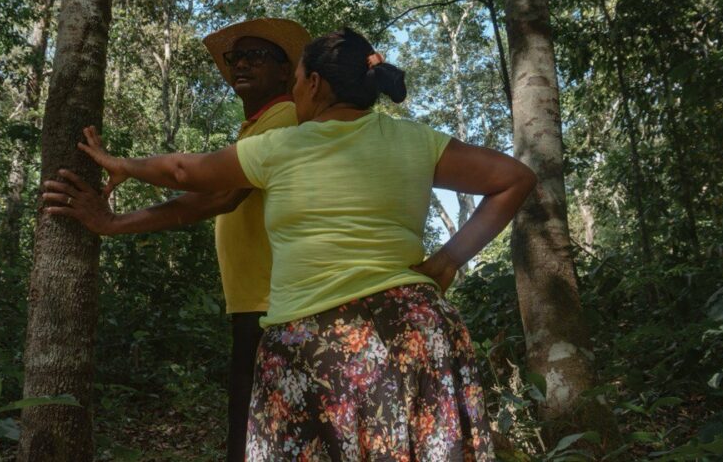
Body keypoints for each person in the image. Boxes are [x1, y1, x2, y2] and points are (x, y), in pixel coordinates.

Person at [59, 27, 537, 460]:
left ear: (312, 84)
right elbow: (513, 179)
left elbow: (187, 171)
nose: (292, 95)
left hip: (316, 339)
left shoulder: (283, 144)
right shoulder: (417, 140)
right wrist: (451, 257)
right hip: (416, 330)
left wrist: (119, 163)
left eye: (295, 81)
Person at [42, 18, 311, 461]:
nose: (241, 63)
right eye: (236, 57)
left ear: (286, 72)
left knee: (258, 443)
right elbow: (205, 198)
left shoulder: (283, 119)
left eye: (257, 56)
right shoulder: (259, 127)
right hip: (261, 304)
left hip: (276, 305)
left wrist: (114, 213)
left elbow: (216, 195)